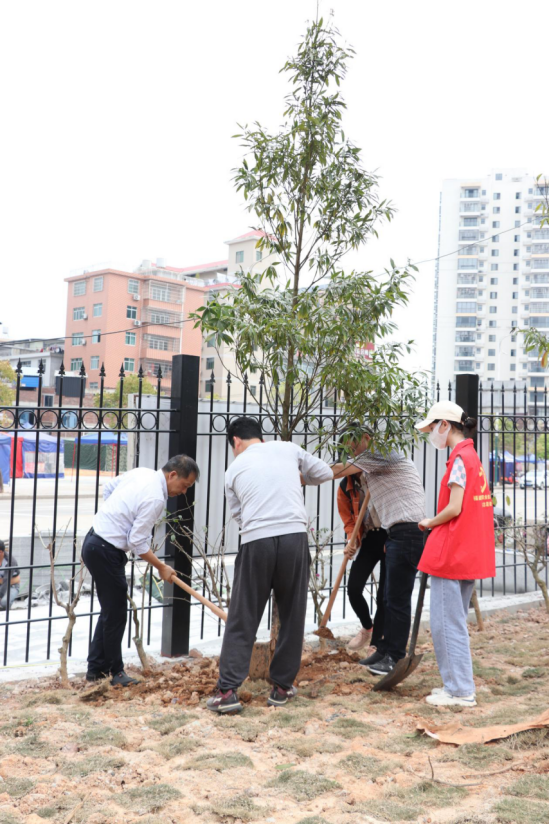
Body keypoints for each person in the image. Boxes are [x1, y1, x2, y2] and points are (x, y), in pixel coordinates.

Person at [207, 416, 334, 714]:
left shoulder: (233, 469)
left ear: (236, 441)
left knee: (244, 614)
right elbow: (326, 473)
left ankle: (227, 692)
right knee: (292, 613)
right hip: (294, 536)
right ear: (259, 436)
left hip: (256, 541)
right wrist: (294, 477)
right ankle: (281, 687)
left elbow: (238, 514)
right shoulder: (288, 449)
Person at [82, 455, 199, 687]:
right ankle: (115, 673)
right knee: (115, 615)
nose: (184, 492)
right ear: (172, 475)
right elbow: (137, 542)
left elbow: (109, 489)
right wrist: (161, 566)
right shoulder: (156, 497)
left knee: (110, 611)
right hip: (106, 550)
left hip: (94, 541)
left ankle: (96, 670)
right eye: (184, 486)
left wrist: (114, 517)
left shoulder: (141, 472)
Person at [416, 401, 495, 708]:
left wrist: (429, 521)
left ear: (445, 425)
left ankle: (460, 690)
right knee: (454, 621)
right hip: (469, 551)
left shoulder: (460, 458)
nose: (431, 433)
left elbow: (454, 507)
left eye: (432, 427)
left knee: (446, 623)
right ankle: (456, 686)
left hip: (453, 552)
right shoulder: (472, 456)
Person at [332, 430, 426, 677]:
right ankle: (383, 650)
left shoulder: (380, 454)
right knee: (387, 597)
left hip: (406, 531)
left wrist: (299, 474)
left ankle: (395, 657)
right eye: (347, 449)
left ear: (367, 437)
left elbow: (335, 470)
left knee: (396, 600)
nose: (351, 452)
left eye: (353, 445)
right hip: (393, 532)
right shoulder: (362, 474)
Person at [338, 475, 387, 653]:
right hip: (369, 538)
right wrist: (352, 540)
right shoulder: (346, 486)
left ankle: (375, 644)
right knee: (353, 589)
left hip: (390, 537)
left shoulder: (378, 474)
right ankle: (368, 628)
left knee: (384, 595)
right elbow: (350, 522)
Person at [0, 540, 20, 610]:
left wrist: (0, 596)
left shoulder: (10, 561)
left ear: (1, 552)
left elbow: (6, 580)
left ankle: (6, 608)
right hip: (2, 584)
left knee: (4, 602)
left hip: (12, 586)